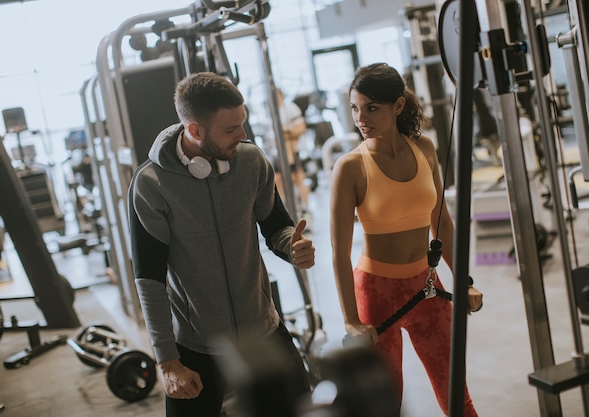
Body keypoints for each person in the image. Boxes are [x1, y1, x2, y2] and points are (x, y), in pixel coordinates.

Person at [128, 72, 315, 417]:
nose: (242, 135)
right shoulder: (151, 184)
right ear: (195, 130)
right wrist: (167, 362)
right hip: (195, 344)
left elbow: (277, 227)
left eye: (242, 124)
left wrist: (293, 248)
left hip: (263, 330)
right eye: (230, 130)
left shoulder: (252, 162)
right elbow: (149, 278)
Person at [329, 63, 483, 416]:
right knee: (385, 406)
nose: (360, 118)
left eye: (371, 108)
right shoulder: (350, 167)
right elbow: (339, 253)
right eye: (354, 108)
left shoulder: (425, 148)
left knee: (458, 397)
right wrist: (352, 320)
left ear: (398, 106)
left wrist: (465, 281)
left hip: (427, 286)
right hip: (375, 294)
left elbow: (442, 222)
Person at [273, 88, 312, 227]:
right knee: (277, 180)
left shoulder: (290, 108)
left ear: (279, 94)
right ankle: (287, 212)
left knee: (298, 179)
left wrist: (285, 133)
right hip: (278, 154)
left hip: (291, 151)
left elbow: (301, 128)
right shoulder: (271, 111)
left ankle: (305, 210)